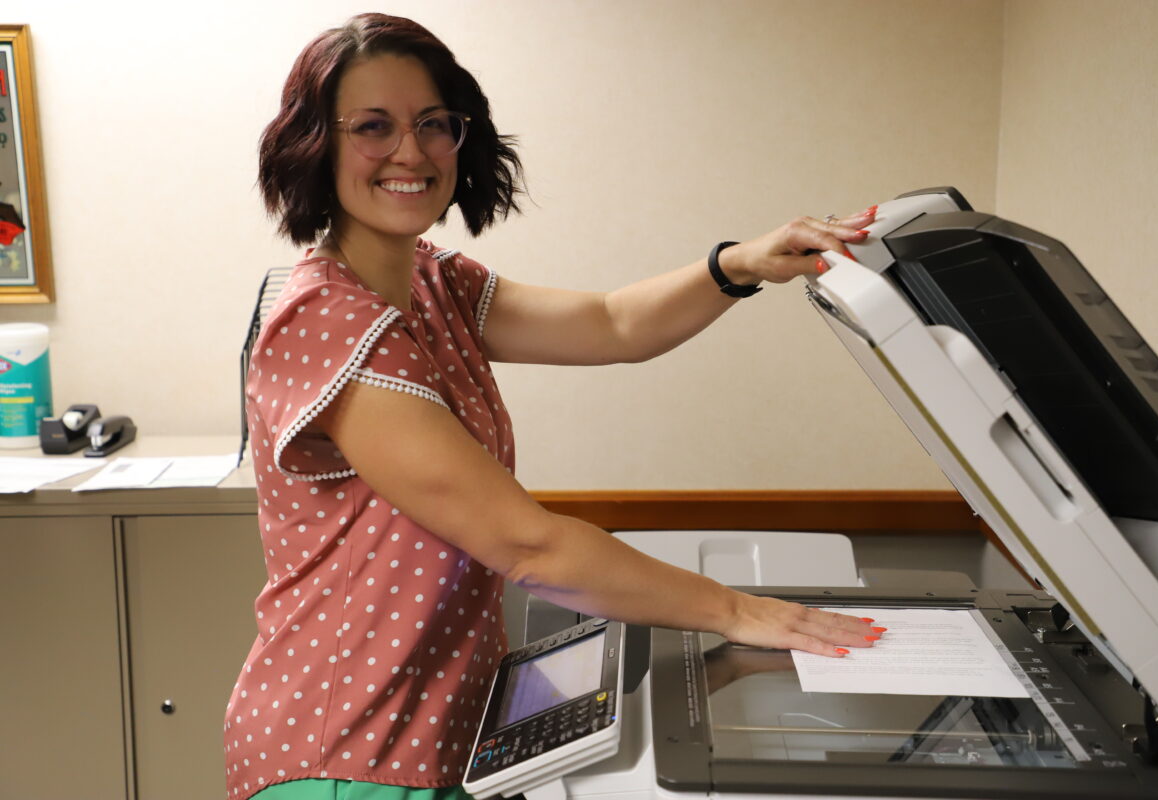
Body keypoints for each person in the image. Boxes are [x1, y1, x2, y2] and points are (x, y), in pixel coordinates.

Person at [227, 12, 882, 800]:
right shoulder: (329, 319)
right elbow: (527, 545)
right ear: (316, 145)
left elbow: (611, 323)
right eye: (373, 126)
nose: (410, 151)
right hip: (345, 751)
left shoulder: (436, 283)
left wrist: (740, 264)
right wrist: (735, 611)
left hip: (434, 733)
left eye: (433, 124)